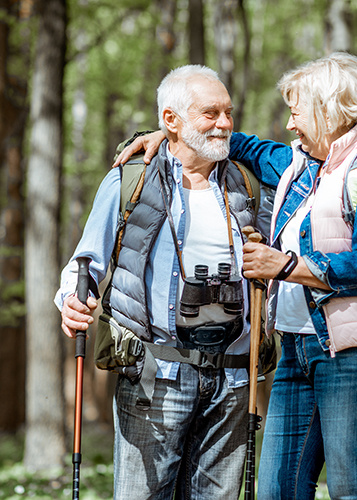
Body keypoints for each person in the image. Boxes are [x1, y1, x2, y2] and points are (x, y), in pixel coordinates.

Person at [115, 52, 357, 500]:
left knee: (352, 489)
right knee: (277, 490)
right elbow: (233, 142)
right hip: (296, 349)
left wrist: (287, 266)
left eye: (296, 112)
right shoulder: (297, 166)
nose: (291, 125)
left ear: (326, 110)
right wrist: (169, 133)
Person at [55, 65, 273, 500]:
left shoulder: (247, 183)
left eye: (229, 112)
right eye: (211, 113)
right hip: (156, 376)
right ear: (170, 120)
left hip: (232, 380)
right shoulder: (129, 181)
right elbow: (86, 261)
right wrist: (70, 300)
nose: (226, 123)